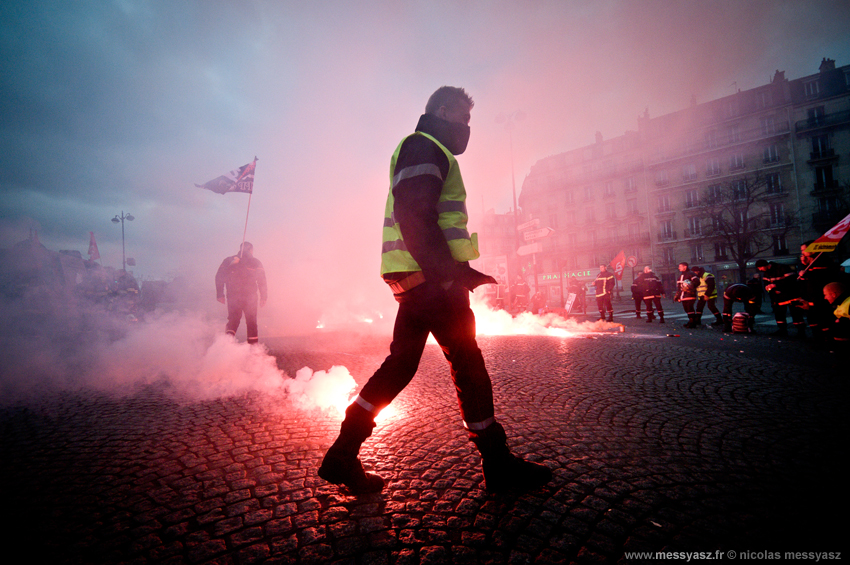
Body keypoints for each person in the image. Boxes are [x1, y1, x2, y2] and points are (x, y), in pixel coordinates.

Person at [318, 86, 551, 494]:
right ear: (443, 111)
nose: (467, 128)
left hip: (415, 278)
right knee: (468, 363)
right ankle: (497, 465)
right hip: (430, 280)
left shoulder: (421, 149)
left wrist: (459, 271)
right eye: (464, 119)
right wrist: (449, 274)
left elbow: (421, 215)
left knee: (401, 365)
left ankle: (342, 453)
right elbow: (415, 214)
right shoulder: (423, 146)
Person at [215, 242, 267, 345]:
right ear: (251, 250)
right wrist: (263, 297)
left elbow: (219, 277)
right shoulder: (255, 262)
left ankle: (226, 346)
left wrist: (220, 294)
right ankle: (253, 349)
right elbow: (262, 281)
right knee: (251, 322)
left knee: (233, 321)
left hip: (233, 296)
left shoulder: (228, 261)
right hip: (250, 297)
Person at [798, 241, 840, 343]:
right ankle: (818, 338)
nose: (802, 253)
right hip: (811, 297)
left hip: (821, 297)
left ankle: (828, 340)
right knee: (813, 320)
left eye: (804, 250)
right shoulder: (809, 263)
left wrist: (806, 275)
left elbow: (820, 279)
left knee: (824, 320)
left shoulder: (822, 261)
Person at [755, 259, 806, 337]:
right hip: (778, 297)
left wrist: (777, 286)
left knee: (796, 313)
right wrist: (768, 288)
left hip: (791, 295)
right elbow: (766, 284)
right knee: (779, 314)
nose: (760, 270)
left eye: (760, 267)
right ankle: (782, 330)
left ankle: (801, 331)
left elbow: (791, 281)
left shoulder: (782, 268)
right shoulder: (766, 273)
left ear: (764, 265)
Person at [674, 262, 700, 328]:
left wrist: (689, 286)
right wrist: (677, 296)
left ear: (685, 267)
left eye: (680, 266)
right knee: (687, 309)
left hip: (690, 294)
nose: (678, 268)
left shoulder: (691, 274)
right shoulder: (680, 276)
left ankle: (692, 322)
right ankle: (692, 320)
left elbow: (697, 282)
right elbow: (679, 288)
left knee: (690, 308)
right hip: (683, 296)